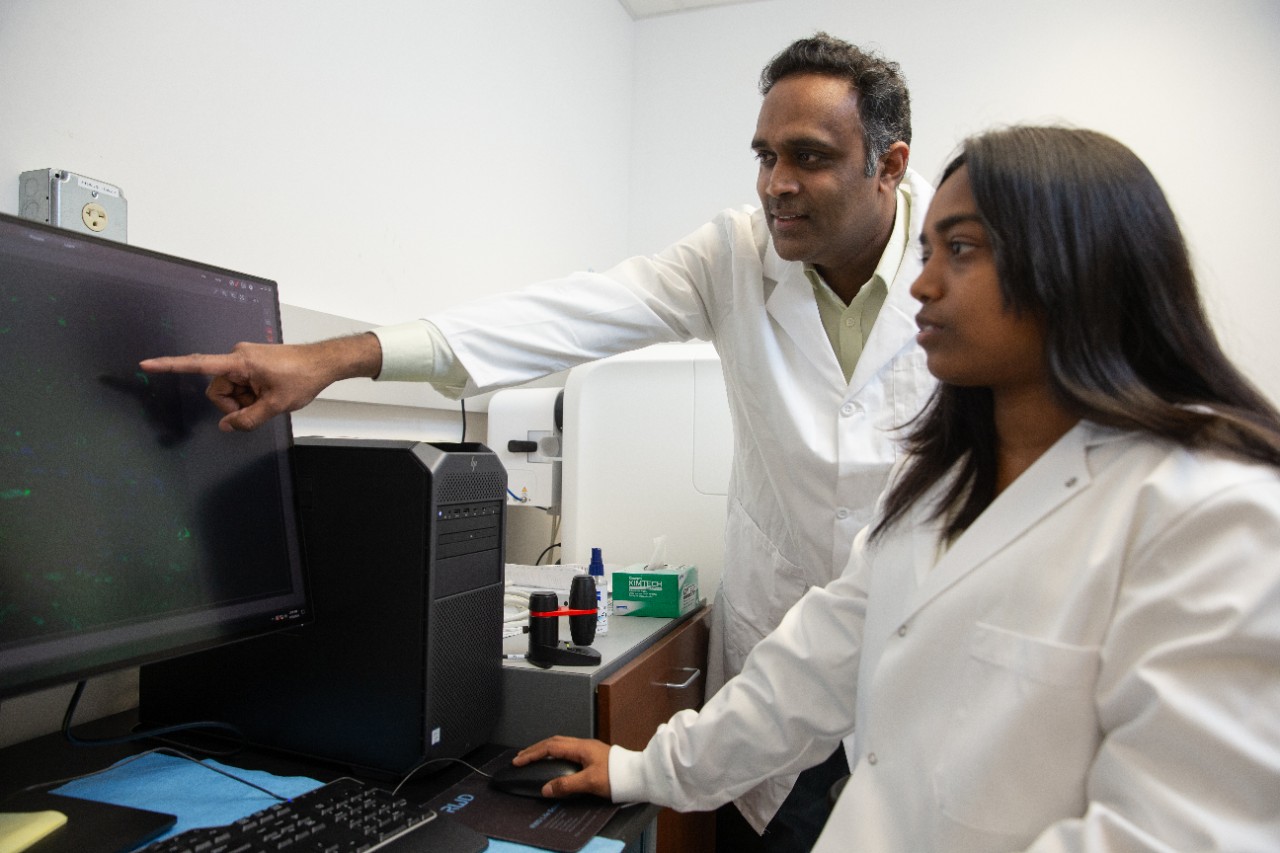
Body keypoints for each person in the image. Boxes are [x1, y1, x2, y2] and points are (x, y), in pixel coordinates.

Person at [142, 33, 935, 849]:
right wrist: (334, 357)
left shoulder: (960, 272)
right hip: (776, 658)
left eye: (808, 156)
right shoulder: (736, 254)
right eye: (764, 155)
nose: (776, 185)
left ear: (889, 163)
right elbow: (563, 315)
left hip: (923, 665)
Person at [507, 125, 1280, 852]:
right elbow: (809, 668)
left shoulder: (1213, 511)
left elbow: (1174, 830)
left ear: (1077, 268)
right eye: (927, 250)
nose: (923, 286)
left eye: (962, 249)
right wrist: (644, 768)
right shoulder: (941, 484)